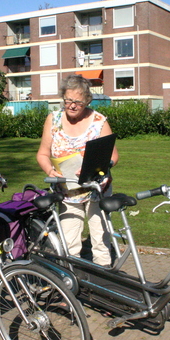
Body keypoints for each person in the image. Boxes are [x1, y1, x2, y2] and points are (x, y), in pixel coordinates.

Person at [36, 75, 119, 267]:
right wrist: (49, 169)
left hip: (97, 190)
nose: (72, 106)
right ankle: (72, 285)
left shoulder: (98, 121)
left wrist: (101, 167)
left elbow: (113, 155)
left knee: (101, 241)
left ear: (86, 101)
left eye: (78, 102)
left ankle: (102, 283)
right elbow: (42, 154)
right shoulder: (53, 120)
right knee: (69, 242)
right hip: (66, 191)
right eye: (68, 100)